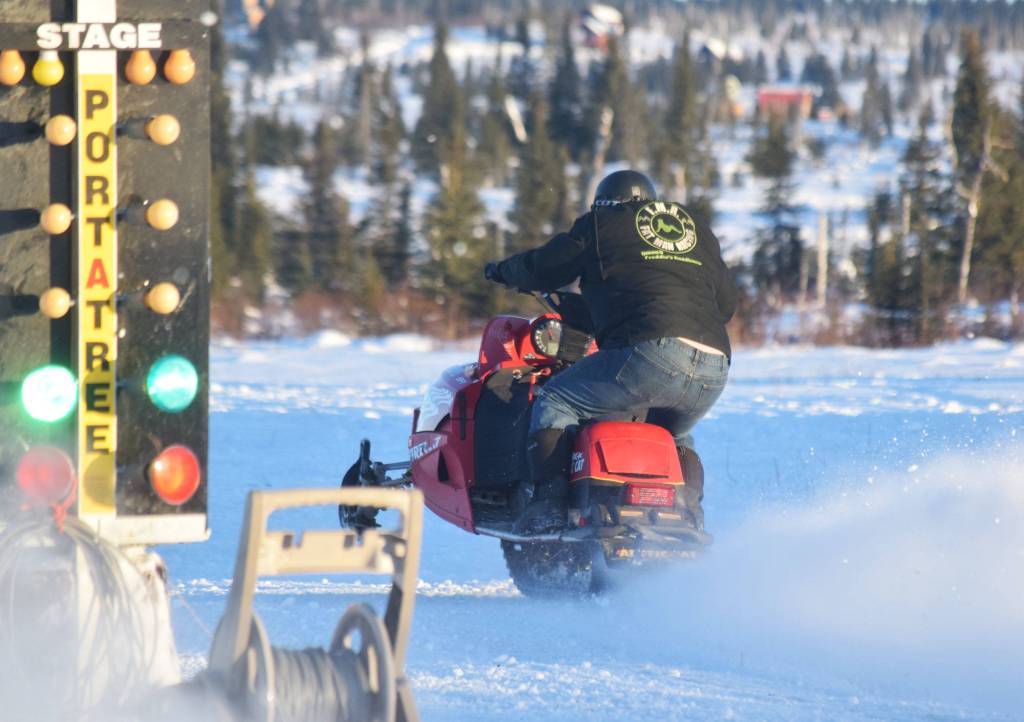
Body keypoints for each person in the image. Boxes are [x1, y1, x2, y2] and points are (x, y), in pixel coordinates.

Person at [484, 169, 737, 534]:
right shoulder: (693, 230)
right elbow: (726, 306)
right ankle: (687, 514)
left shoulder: (603, 225)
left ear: (604, 204)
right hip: (714, 367)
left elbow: (544, 268)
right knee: (673, 436)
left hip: (652, 354)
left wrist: (502, 271)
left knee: (555, 400)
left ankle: (549, 504)